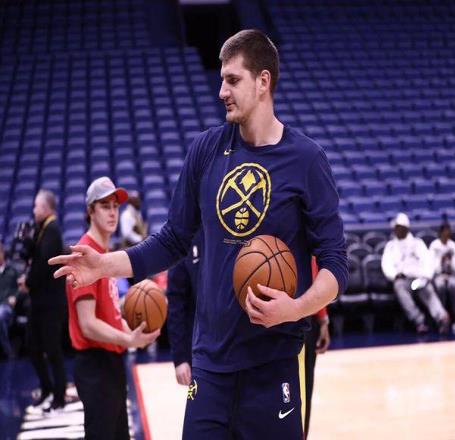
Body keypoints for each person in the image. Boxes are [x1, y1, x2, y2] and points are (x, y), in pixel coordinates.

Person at [50, 29, 348, 439]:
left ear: (263, 81)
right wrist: (104, 265)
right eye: (221, 80)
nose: (222, 91)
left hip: (274, 362)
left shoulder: (306, 160)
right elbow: (172, 240)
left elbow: (335, 265)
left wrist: (296, 308)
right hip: (210, 367)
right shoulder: (205, 150)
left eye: (233, 80)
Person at [66, 177, 159, 439]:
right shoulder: (84, 254)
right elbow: (87, 324)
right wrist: (128, 339)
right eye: (104, 206)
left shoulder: (105, 254)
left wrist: (132, 323)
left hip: (112, 363)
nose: (112, 212)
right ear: (90, 211)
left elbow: (107, 312)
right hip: (95, 364)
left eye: (115, 206)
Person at [20, 189, 67, 413]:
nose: (33, 210)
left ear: (46, 207)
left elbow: (44, 264)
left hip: (50, 303)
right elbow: (34, 258)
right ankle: (47, 388)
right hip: (38, 302)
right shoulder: (42, 229)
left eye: (36, 206)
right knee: (33, 347)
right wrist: (27, 245)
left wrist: (28, 282)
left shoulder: (53, 229)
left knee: (53, 350)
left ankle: (59, 397)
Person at [382, 213, 450, 334]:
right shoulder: (390, 246)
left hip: (419, 278)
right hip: (402, 279)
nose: (398, 230)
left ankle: (442, 318)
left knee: (428, 291)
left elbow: (427, 260)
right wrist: (394, 275)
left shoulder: (417, 243)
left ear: (406, 228)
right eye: (396, 227)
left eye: (400, 227)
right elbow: (386, 264)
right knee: (399, 287)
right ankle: (419, 321)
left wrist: (426, 276)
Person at [166, 233, 202, 386]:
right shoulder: (184, 241)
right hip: (199, 350)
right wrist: (180, 357)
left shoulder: (234, 236)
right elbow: (176, 304)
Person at [304, 258, 330, 438]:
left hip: (304, 318)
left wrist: (322, 318)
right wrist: (322, 318)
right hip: (302, 317)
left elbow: (315, 272)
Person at [429, 223, 455, 335]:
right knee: (440, 286)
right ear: (440, 233)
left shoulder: (453, 246)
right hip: (438, 275)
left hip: (452, 275)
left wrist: (450, 261)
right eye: (445, 232)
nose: (447, 234)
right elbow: (431, 268)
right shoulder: (434, 245)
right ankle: (442, 319)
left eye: (448, 232)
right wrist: (441, 260)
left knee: (453, 285)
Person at [0, 242, 19, 358]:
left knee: (0, 315)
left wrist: (15, 297)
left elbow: (20, 288)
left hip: (6, 305)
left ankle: (7, 350)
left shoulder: (12, 270)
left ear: (2, 253)